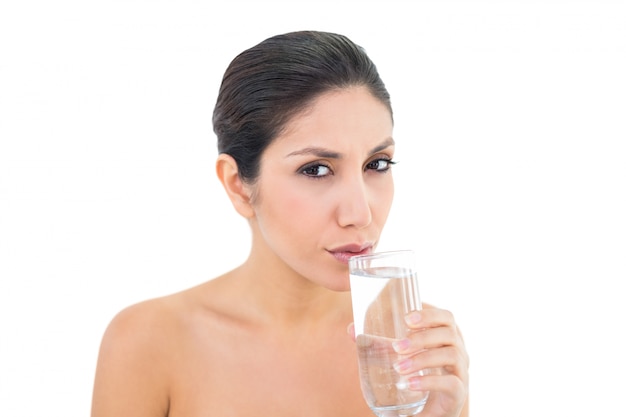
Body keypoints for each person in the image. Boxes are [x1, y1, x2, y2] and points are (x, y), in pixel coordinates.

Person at [90, 30, 469, 417]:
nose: (360, 213)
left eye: (377, 164)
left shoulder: (416, 349)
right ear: (238, 185)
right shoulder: (148, 342)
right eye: (317, 169)